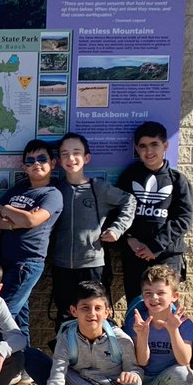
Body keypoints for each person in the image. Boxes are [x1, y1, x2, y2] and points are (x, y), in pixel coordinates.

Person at [33, 281, 143, 385]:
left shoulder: (121, 340)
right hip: (77, 381)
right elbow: (57, 380)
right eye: (85, 308)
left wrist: (134, 377)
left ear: (107, 312)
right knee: (32, 357)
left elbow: (135, 371)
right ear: (74, 311)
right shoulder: (66, 338)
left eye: (98, 308)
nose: (92, 313)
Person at [51, 131, 136, 328]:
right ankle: (68, 356)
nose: (71, 158)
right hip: (61, 265)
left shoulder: (98, 188)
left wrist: (117, 229)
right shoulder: (54, 190)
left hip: (92, 264)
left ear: (86, 158)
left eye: (76, 152)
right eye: (64, 153)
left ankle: (99, 356)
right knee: (66, 315)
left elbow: (129, 201)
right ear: (59, 160)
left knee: (95, 316)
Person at [0, 139, 62, 354]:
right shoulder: (19, 188)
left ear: (52, 163)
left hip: (27, 262)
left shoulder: (52, 194)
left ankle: (1, 361)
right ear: (24, 167)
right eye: (30, 161)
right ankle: (24, 365)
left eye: (42, 159)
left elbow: (32, 221)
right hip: (6, 260)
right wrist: (14, 223)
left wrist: (8, 211)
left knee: (3, 312)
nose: (36, 164)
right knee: (20, 317)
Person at [116, 121, 193, 303]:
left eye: (154, 145)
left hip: (167, 256)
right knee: (137, 309)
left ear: (165, 145)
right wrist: (129, 237)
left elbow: (183, 219)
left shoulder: (178, 180)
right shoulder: (128, 177)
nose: (149, 151)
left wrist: (155, 245)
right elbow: (116, 211)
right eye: (143, 146)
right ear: (136, 148)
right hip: (135, 256)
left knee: (166, 309)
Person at [126, 264, 193, 385]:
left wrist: (173, 330)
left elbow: (184, 360)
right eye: (148, 293)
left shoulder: (184, 323)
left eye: (161, 293)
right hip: (143, 378)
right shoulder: (136, 320)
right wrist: (142, 336)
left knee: (183, 374)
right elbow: (142, 362)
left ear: (174, 296)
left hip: (168, 379)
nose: (154, 298)